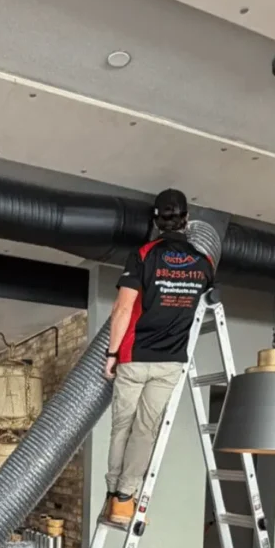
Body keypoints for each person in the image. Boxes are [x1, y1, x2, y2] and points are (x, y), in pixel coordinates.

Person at [103, 188, 215, 526]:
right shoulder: (204, 262)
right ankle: (125, 499)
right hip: (170, 361)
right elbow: (206, 302)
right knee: (145, 430)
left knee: (122, 426)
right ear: (187, 220)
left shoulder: (143, 255)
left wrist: (111, 354)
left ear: (156, 220)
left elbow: (123, 308)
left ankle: (114, 495)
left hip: (134, 355)